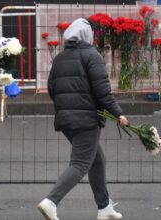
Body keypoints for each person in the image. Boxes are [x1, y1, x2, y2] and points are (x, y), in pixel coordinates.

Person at [37, 18, 128, 220]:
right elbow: (103, 92)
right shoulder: (92, 56)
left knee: (97, 161)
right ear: (88, 36)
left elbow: (53, 89)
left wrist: (67, 108)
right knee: (80, 163)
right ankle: (51, 202)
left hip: (66, 119)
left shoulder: (59, 58)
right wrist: (118, 113)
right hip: (86, 119)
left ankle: (104, 208)